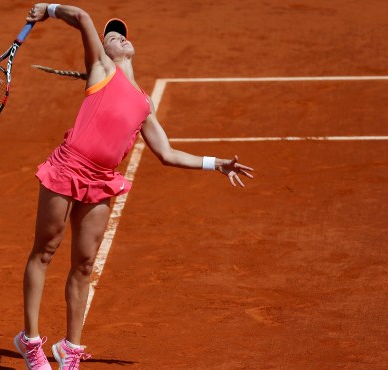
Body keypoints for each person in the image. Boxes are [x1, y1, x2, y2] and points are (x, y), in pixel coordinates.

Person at [14, 3, 254, 370]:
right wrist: (48, 9)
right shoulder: (101, 68)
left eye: (123, 34)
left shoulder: (143, 103)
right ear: (103, 49)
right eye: (112, 36)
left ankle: (70, 348)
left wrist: (216, 163)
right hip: (68, 168)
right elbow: (81, 17)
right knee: (45, 250)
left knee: (83, 264)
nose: (120, 38)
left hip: (100, 181)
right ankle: (30, 342)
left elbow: (167, 153)